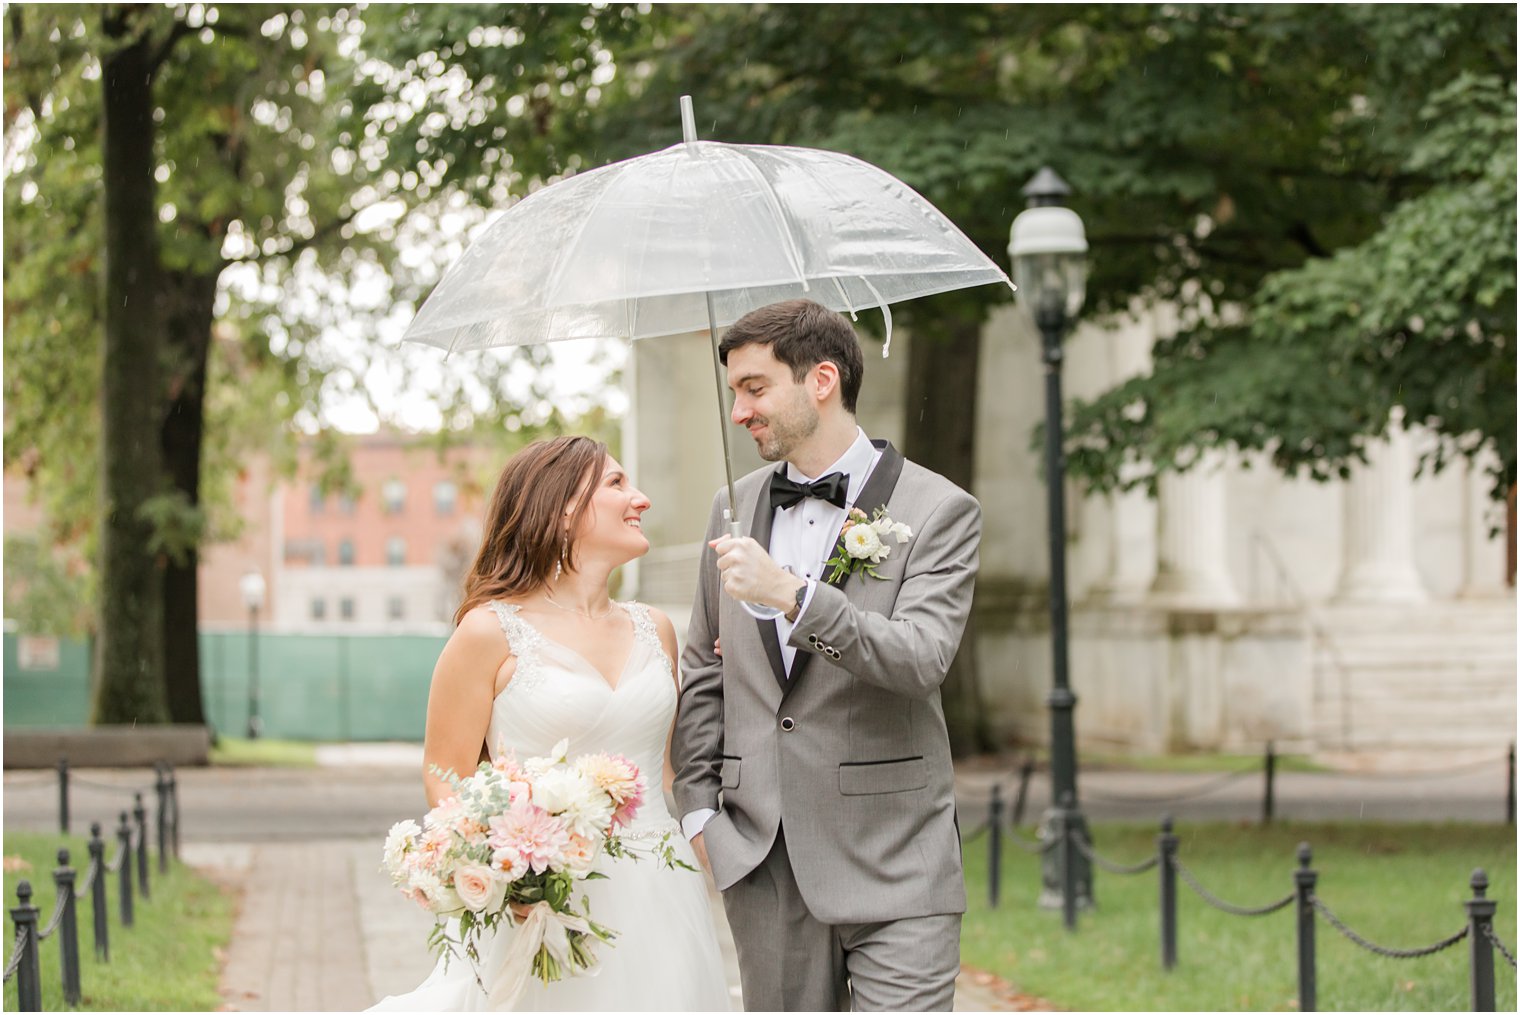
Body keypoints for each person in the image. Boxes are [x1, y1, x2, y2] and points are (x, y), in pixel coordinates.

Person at [673, 299, 981, 1011]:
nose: (740, 411)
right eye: (734, 393)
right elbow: (705, 672)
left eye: (755, 388)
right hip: (763, 861)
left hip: (897, 861)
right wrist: (698, 812)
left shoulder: (939, 509)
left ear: (821, 379)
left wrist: (792, 594)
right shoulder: (733, 505)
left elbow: (920, 657)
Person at [371, 436, 731, 1012]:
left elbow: (673, 770)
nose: (640, 499)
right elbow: (445, 773)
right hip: (542, 898)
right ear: (562, 507)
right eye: (616, 484)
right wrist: (500, 871)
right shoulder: (489, 632)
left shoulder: (655, 628)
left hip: (661, 892)